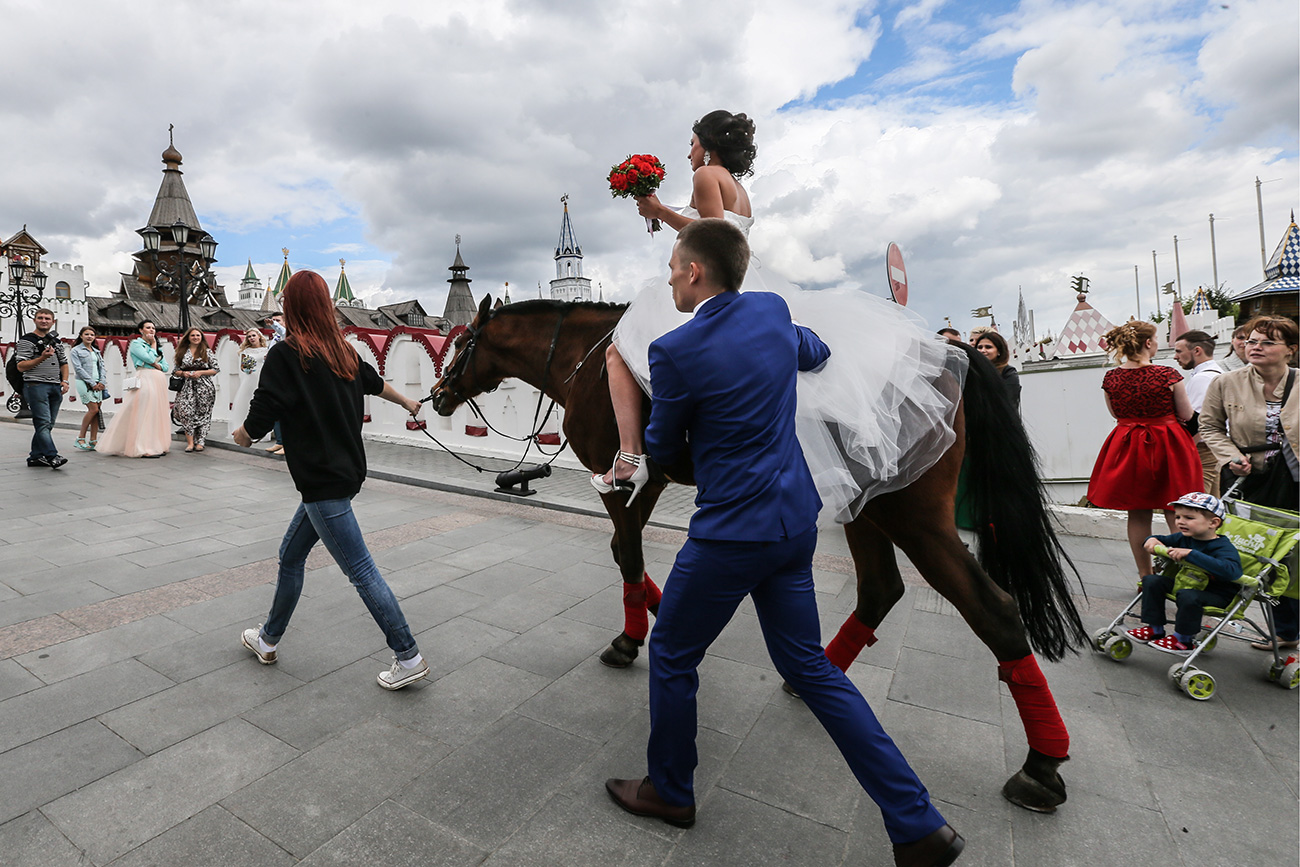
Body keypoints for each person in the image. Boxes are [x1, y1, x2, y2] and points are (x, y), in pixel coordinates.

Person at [604, 220, 963, 867]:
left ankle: (671, 789)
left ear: (693, 272)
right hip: (794, 524)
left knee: (675, 655)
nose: (666, 277)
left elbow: (660, 450)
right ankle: (918, 822)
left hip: (729, 534)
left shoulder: (674, 351)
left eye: (672, 265)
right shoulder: (770, 312)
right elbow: (816, 349)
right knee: (810, 667)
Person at [596, 109, 964, 526]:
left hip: (717, 280)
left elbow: (714, 235)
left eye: (692, 143)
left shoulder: (706, 175)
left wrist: (661, 212)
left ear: (708, 145)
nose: (689, 152)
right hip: (746, 279)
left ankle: (630, 458)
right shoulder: (735, 184)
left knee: (619, 351)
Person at [232, 270, 429, 690]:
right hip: (341, 472)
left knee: (362, 571)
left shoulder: (289, 354)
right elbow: (376, 385)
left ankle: (408, 655)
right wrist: (410, 401)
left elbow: (265, 406)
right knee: (290, 556)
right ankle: (268, 639)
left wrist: (244, 435)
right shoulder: (343, 351)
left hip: (322, 480)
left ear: (292, 307)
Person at [1200, 315, 1299, 651]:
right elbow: (1210, 426)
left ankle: (1287, 630)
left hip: (1293, 478)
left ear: (1291, 350)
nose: (1256, 347)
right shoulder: (1227, 382)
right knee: (1242, 550)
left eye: (1268, 342)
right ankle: (1203, 615)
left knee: (1289, 555)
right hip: (1245, 476)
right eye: (1252, 340)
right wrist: (1229, 456)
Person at [1087, 321, 1201, 580]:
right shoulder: (1167, 374)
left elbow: (1116, 413)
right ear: (1148, 343)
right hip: (1169, 443)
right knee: (1177, 509)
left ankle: (1145, 576)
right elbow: (1185, 414)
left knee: (1138, 512)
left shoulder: (1111, 377)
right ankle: (1180, 576)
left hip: (1128, 444)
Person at [1127, 492, 1244, 654]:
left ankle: (1183, 640)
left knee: (1188, 595)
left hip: (1216, 593)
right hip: (1186, 583)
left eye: (1189, 518)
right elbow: (1159, 538)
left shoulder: (1223, 547)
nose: (1181, 522)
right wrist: (1151, 540)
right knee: (1152, 581)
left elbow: (1233, 571)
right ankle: (1154, 628)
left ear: (1213, 523)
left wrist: (1191, 554)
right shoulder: (1184, 538)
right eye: (1178, 517)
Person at [97, 319, 172, 458]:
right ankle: (143, 447)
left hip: (158, 380)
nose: (151, 330)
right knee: (144, 411)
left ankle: (156, 444)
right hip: (145, 377)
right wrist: (154, 347)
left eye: (153, 328)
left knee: (156, 413)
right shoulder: (137, 344)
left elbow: (166, 366)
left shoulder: (158, 347)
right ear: (141, 330)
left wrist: (156, 363)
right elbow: (148, 358)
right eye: (148, 327)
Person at [14, 308, 69, 468]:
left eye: (47, 318)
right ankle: (52, 456)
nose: (44, 320)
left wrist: (65, 381)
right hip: (35, 385)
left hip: (55, 386)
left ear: (53, 321)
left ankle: (35, 457)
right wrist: (42, 357)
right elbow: (21, 366)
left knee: (48, 423)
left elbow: (64, 363)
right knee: (43, 422)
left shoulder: (57, 342)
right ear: (35, 320)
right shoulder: (27, 340)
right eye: (40, 318)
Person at [1172, 329, 1225, 494]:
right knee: (1211, 505)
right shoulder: (1218, 373)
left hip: (1201, 450)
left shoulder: (1202, 378)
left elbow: (1199, 423)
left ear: (1197, 351)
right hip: (1213, 448)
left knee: (1195, 503)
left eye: (1179, 351)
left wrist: (1186, 452)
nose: (1175, 356)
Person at [172, 327, 220, 453]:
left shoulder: (207, 352)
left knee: (203, 413)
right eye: (193, 335)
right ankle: (190, 442)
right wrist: (183, 373)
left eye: (198, 335)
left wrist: (200, 373)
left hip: (204, 386)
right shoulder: (181, 352)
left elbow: (215, 369)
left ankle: (201, 441)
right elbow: (175, 370)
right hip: (186, 386)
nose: (195, 337)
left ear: (201, 337)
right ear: (188, 337)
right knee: (186, 412)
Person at [69, 326, 108, 450]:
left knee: (96, 412)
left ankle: (93, 440)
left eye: (92, 334)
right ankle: (80, 438)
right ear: (81, 336)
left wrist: (102, 382)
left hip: (98, 384)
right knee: (93, 410)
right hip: (84, 382)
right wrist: (92, 383)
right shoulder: (76, 351)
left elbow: (102, 367)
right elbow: (78, 368)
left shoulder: (96, 351)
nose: (89, 336)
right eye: (86, 334)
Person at [229, 327, 270, 432]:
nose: (251, 338)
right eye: (249, 337)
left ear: (259, 337)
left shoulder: (267, 350)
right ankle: (243, 429)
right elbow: (243, 368)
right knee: (247, 403)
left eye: (253, 336)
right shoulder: (245, 352)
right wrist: (248, 369)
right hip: (249, 380)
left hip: (262, 379)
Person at [973, 330, 1020, 412]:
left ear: (999, 351)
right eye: (980, 347)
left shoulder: (1008, 372)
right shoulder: (972, 371)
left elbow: (1009, 402)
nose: (983, 350)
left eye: (988, 347)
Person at [265, 312, 287, 455]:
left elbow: (282, 331)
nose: (274, 323)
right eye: (273, 320)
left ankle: (288, 444)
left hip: (286, 378)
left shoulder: (287, 334)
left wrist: (273, 324)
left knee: (286, 412)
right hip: (276, 376)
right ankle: (279, 442)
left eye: (278, 320)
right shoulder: (275, 338)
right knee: (276, 410)